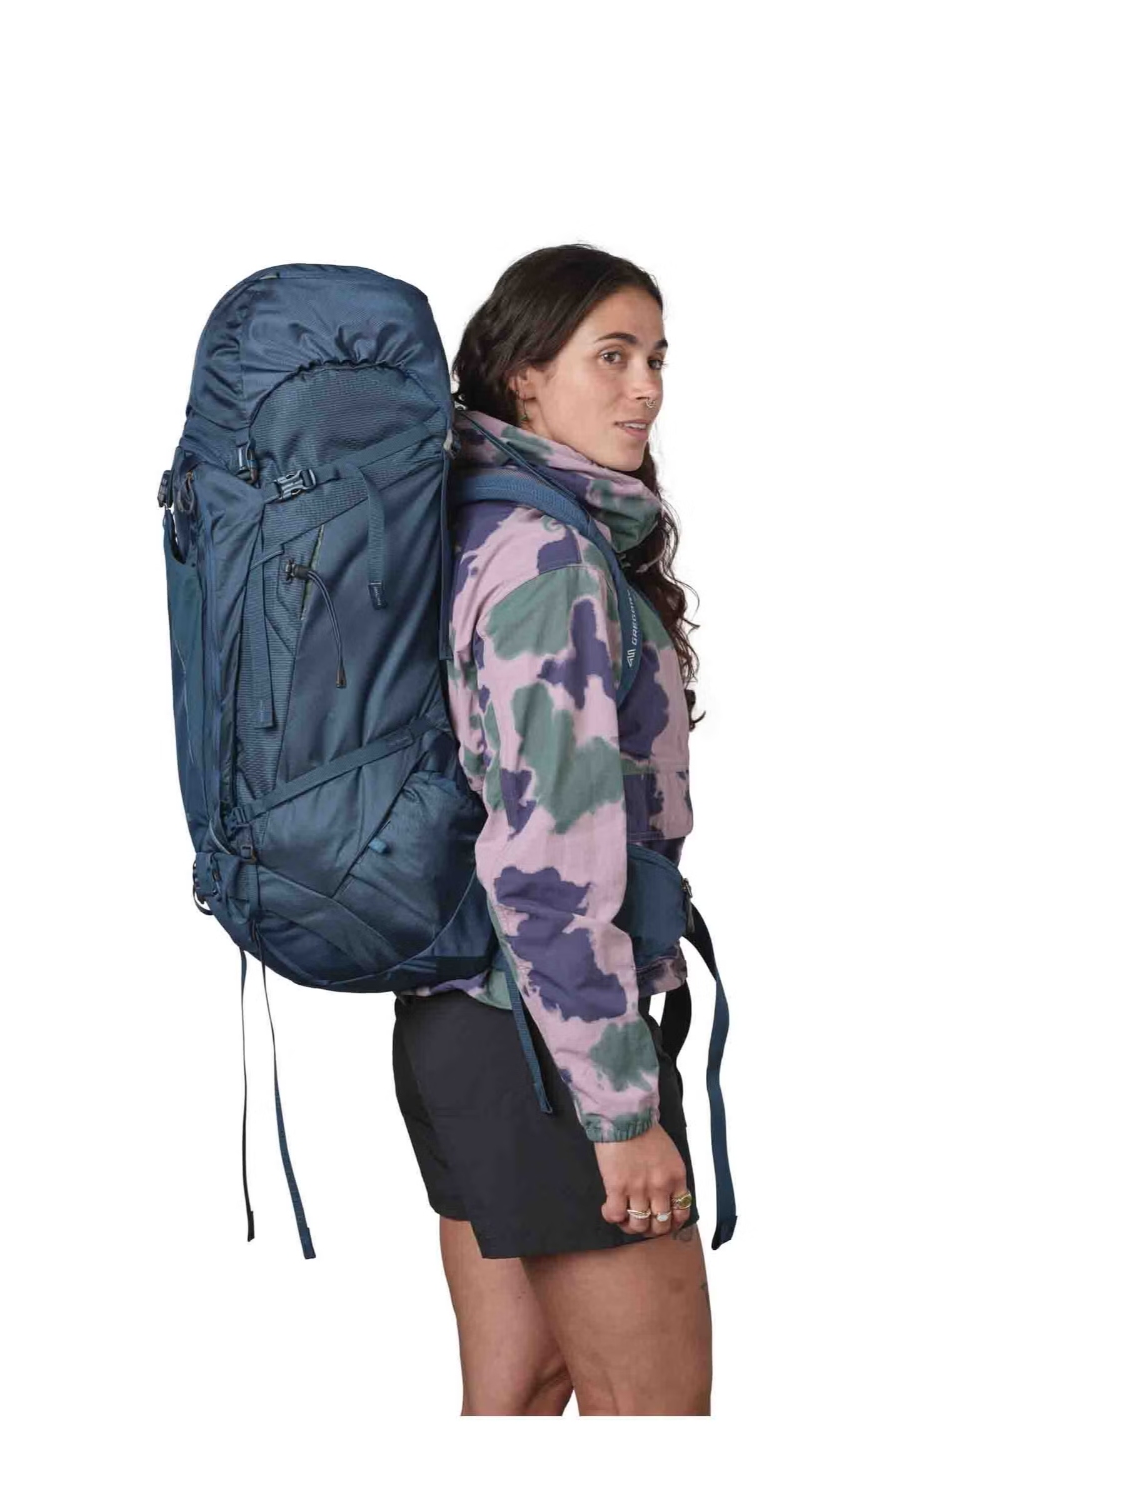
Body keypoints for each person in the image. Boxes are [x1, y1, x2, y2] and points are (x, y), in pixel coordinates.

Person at [392, 245, 714, 1416]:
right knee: (655, 1421)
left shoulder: (468, 526)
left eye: (657, 358)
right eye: (611, 356)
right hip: (551, 1042)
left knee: (516, 1401)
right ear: (524, 376)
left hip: (462, 1025)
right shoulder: (546, 556)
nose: (646, 388)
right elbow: (545, 867)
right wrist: (619, 1110)